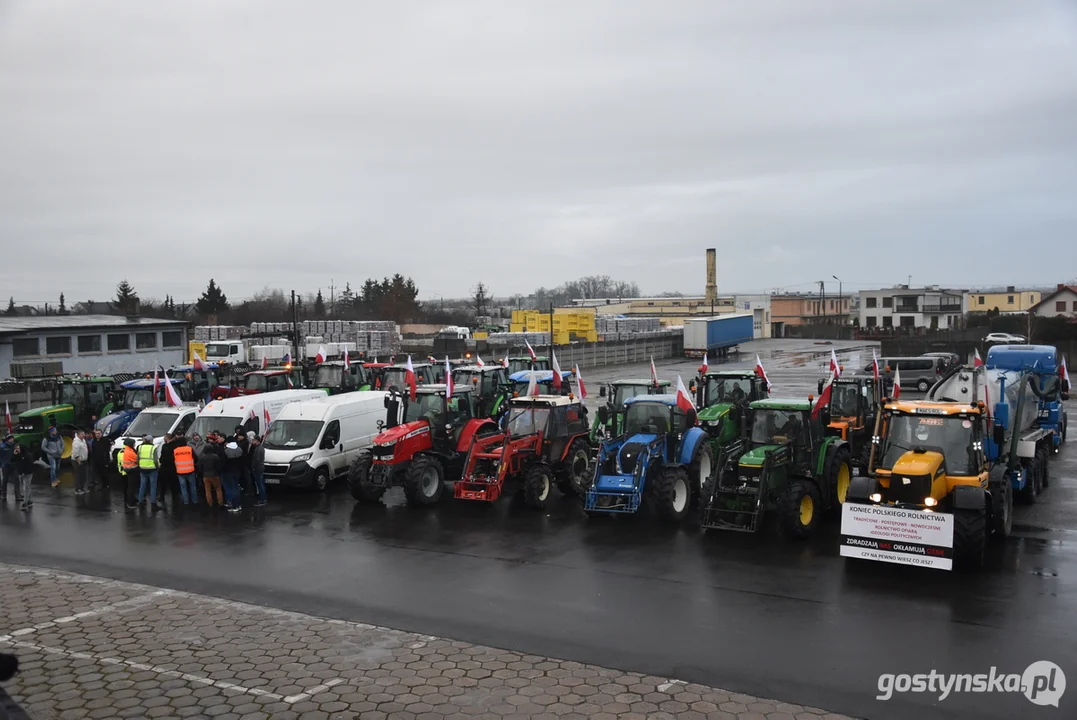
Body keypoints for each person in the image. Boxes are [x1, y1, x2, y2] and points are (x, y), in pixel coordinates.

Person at [200, 433, 225, 509]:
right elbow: (219, 466)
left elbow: (200, 467)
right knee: (218, 489)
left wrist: (202, 473)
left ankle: (210, 503)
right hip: (215, 475)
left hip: (206, 475)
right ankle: (220, 502)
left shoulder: (202, 457)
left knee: (207, 490)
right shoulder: (215, 456)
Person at [136, 434, 160, 510]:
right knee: (153, 487)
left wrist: (139, 466)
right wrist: (157, 467)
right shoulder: (153, 448)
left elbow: (138, 458)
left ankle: (140, 502)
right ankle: (153, 504)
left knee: (142, 486)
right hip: (152, 469)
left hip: (142, 469)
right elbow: (155, 460)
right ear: (151, 440)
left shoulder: (140, 447)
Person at [173, 436, 198, 506]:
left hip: (180, 472)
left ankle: (186, 501)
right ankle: (195, 501)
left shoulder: (175, 450)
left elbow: (173, 460)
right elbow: (196, 458)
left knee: (183, 488)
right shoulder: (190, 449)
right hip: (190, 471)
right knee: (192, 486)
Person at [157, 433, 178, 510]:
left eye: (165, 437)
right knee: (169, 483)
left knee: (167, 483)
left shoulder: (171, 446)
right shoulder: (166, 445)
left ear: (168, 438)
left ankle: (164, 496)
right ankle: (171, 497)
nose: (164, 439)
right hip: (169, 467)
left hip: (170, 466)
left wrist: (161, 461)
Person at [13, 441, 35, 511]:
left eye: (18, 448)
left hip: (27, 474)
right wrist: (14, 455)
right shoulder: (18, 455)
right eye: (16, 448)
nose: (17, 449)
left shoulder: (28, 455)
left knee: (26, 488)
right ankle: (29, 501)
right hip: (20, 473)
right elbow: (12, 460)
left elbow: (30, 466)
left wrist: (24, 472)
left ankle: (25, 503)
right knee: (26, 487)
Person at [120, 437, 139, 510]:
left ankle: (131, 500)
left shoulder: (127, 450)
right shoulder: (130, 452)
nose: (134, 445)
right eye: (133, 443)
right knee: (131, 487)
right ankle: (130, 503)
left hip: (128, 470)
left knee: (131, 487)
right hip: (132, 470)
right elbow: (137, 459)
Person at [249, 434, 267, 507]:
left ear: (256, 440)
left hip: (258, 469)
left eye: (253, 440)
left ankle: (262, 499)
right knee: (260, 484)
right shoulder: (260, 448)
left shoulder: (258, 449)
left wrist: (252, 467)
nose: (252, 442)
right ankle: (263, 498)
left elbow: (257, 460)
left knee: (260, 484)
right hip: (260, 468)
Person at [0, 434, 18, 504]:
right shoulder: (2, 447)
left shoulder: (14, 446)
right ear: (7, 439)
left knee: (16, 479)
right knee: (5, 480)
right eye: (10, 439)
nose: (12, 440)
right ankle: (4, 493)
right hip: (6, 465)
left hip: (13, 465)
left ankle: (18, 495)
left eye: (12, 438)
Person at [71, 430, 89, 494]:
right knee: (78, 475)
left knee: (83, 475)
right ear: (78, 435)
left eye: (83, 434)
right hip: (77, 461)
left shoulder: (83, 440)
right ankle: (77, 489)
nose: (83, 435)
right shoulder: (76, 442)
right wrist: (78, 461)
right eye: (82, 434)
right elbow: (75, 452)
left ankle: (83, 487)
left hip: (84, 460)